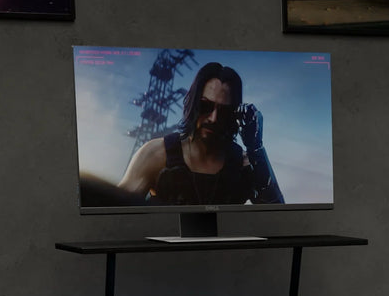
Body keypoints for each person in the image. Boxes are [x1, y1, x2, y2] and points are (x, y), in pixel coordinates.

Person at [117, 62, 283, 206]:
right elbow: (115, 213)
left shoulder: (244, 163)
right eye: (205, 106)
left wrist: (256, 148)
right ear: (194, 103)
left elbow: (277, 214)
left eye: (224, 111)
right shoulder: (156, 154)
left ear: (234, 114)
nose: (213, 118)